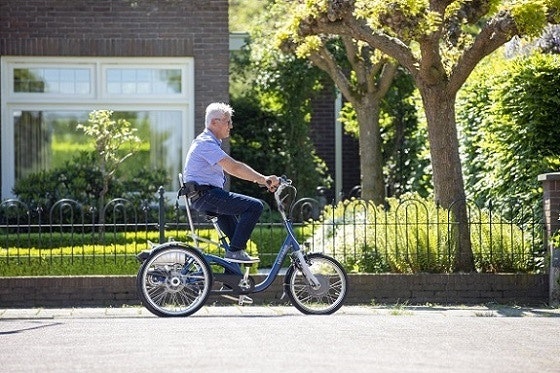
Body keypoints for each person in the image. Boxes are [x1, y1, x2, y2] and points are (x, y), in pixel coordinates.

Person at [182, 102, 280, 263]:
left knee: (236, 244)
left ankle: (231, 283)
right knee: (255, 206)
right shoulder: (205, 143)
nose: (231, 126)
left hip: (207, 195)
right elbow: (234, 167)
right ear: (214, 122)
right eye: (228, 121)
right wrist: (263, 179)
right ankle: (234, 254)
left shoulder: (209, 143)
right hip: (206, 195)